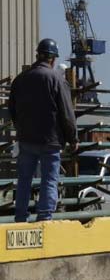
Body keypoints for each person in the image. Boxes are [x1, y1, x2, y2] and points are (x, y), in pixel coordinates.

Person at [8, 38, 78, 222]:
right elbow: (67, 112)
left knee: (24, 180)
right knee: (49, 179)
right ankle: (45, 217)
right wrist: (73, 138)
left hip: (27, 139)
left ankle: (20, 217)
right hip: (51, 141)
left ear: (37, 55)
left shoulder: (20, 79)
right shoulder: (56, 79)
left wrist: (21, 129)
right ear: (53, 59)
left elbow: (12, 109)